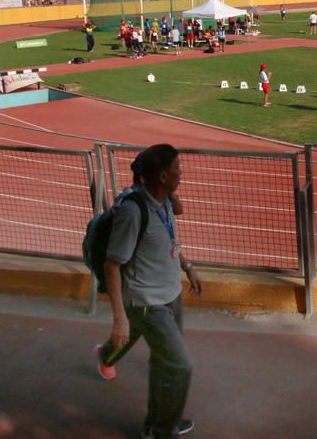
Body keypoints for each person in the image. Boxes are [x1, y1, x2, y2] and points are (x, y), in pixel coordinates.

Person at [101, 144, 201, 439]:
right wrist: (119, 318)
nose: (181, 173)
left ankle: (155, 425)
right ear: (161, 176)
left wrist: (188, 267)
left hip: (171, 297)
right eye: (176, 170)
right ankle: (163, 430)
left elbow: (171, 237)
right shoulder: (133, 212)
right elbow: (111, 265)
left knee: (163, 364)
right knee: (181, 367)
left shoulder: (164, 201)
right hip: (147, 304)